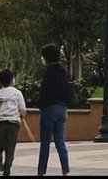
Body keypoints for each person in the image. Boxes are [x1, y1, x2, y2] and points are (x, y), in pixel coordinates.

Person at [36, 43, 72, 177]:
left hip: (49, 109)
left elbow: (44, 93)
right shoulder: (63, 73)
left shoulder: (48, 74)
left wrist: (40, 105)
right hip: (62, 109)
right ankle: (65, 170)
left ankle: (41, 171)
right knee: (60, 142)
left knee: (45, 142)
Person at [0, 67, 27, 179]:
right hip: (13, 125)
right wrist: (21, 115)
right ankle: (6, 172)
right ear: (12, 80)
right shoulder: (17, 93)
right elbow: (23, 109)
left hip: (1, 124)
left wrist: (0, 113)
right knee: (10, 150)